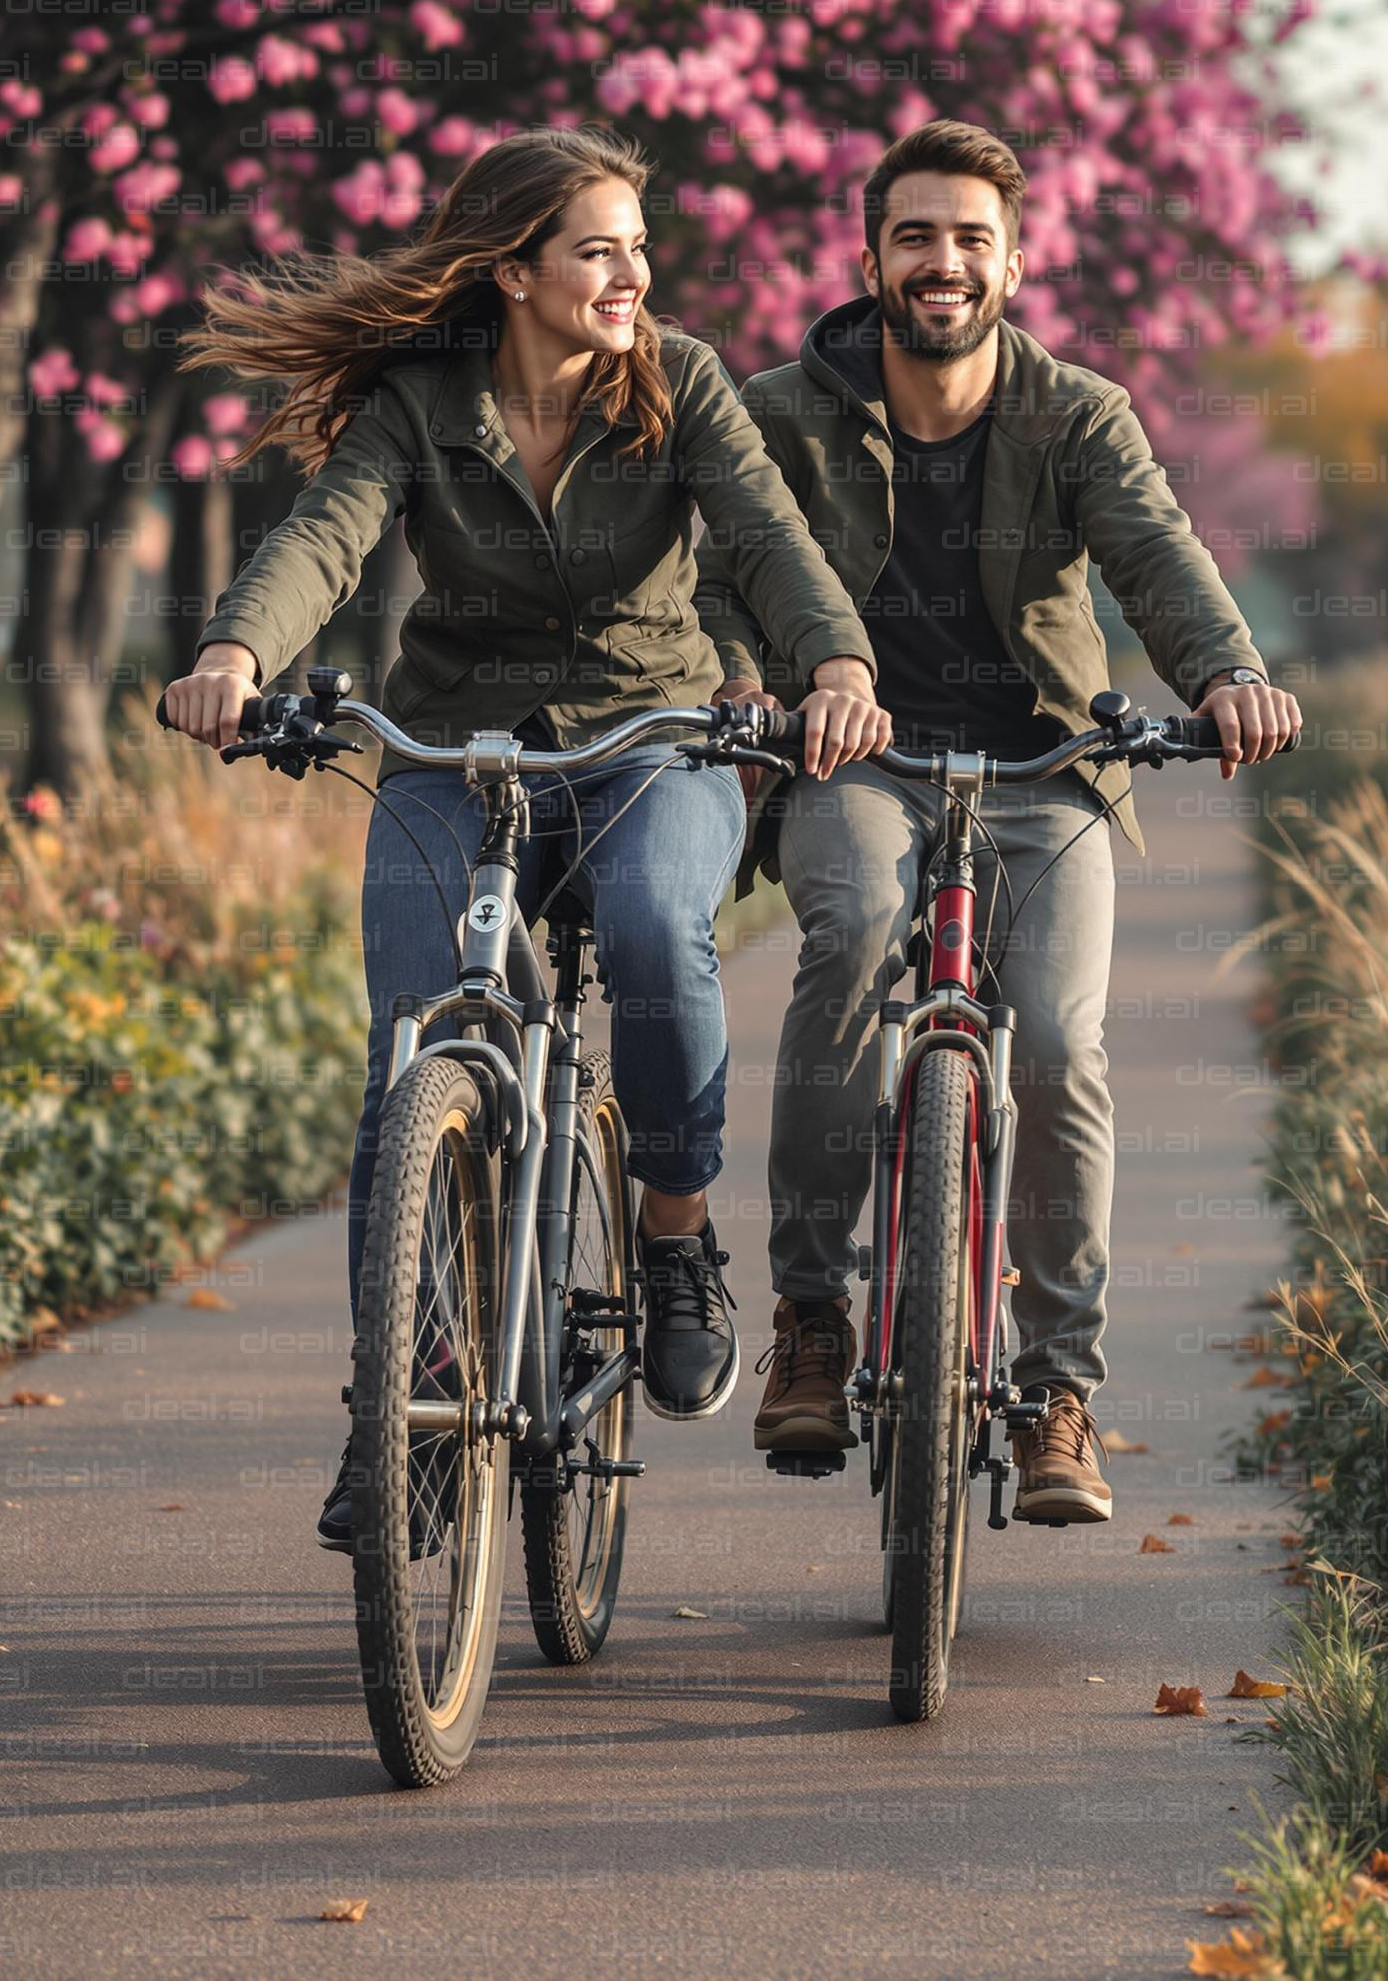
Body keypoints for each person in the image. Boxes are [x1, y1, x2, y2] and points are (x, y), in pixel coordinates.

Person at [162, 122, 888, 1549]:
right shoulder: (421, 398)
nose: (633, 273)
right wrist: (238, 655)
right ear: (512, 270)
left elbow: (767, 542)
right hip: (460, 740)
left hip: (650, 735)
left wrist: (837, 669)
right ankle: (407, 1406)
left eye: (638, 246)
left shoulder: (679, 382)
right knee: (415, 1043)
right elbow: (326, 533)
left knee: (653, 939)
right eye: (599, 250)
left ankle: (675, 1244)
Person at [696, 120, 1302, 1522]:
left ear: (1013, 262)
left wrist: (1227, 673)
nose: (944, 261)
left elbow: (1155, 550)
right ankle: (812, 1316)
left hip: (1045, 771)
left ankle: (1058, 1392)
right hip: (852, 759)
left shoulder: (1075, 413)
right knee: (845, 949)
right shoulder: (783, 409)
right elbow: (722, 564)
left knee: (1066, 1048)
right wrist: (743, 683)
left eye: (972, 237)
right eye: (917, 234)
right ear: (871, 256)